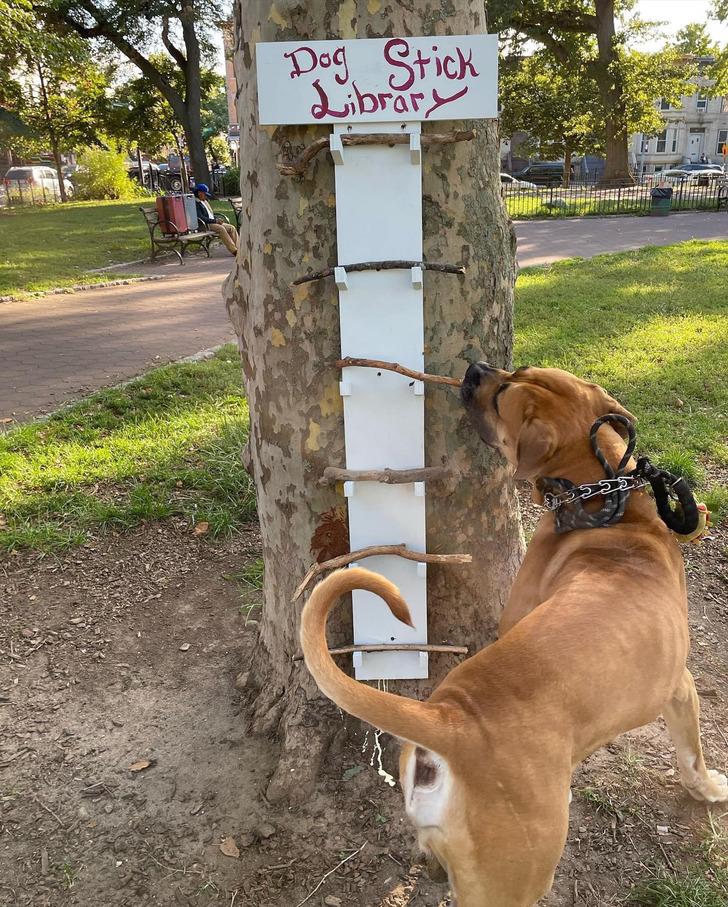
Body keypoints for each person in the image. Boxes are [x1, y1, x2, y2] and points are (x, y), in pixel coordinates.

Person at [193, 183, 238, 256]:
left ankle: (238, 247)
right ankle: (234, 250)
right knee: (221, 229)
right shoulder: (196, 203)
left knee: (231, 228)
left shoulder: (204, 201)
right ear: (199, 193)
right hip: (206, 224)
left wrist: (217, 219)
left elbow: (210, 214)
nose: (206, 196)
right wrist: (215, 221)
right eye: (205, 194)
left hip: (213, 221)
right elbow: (201, 217)